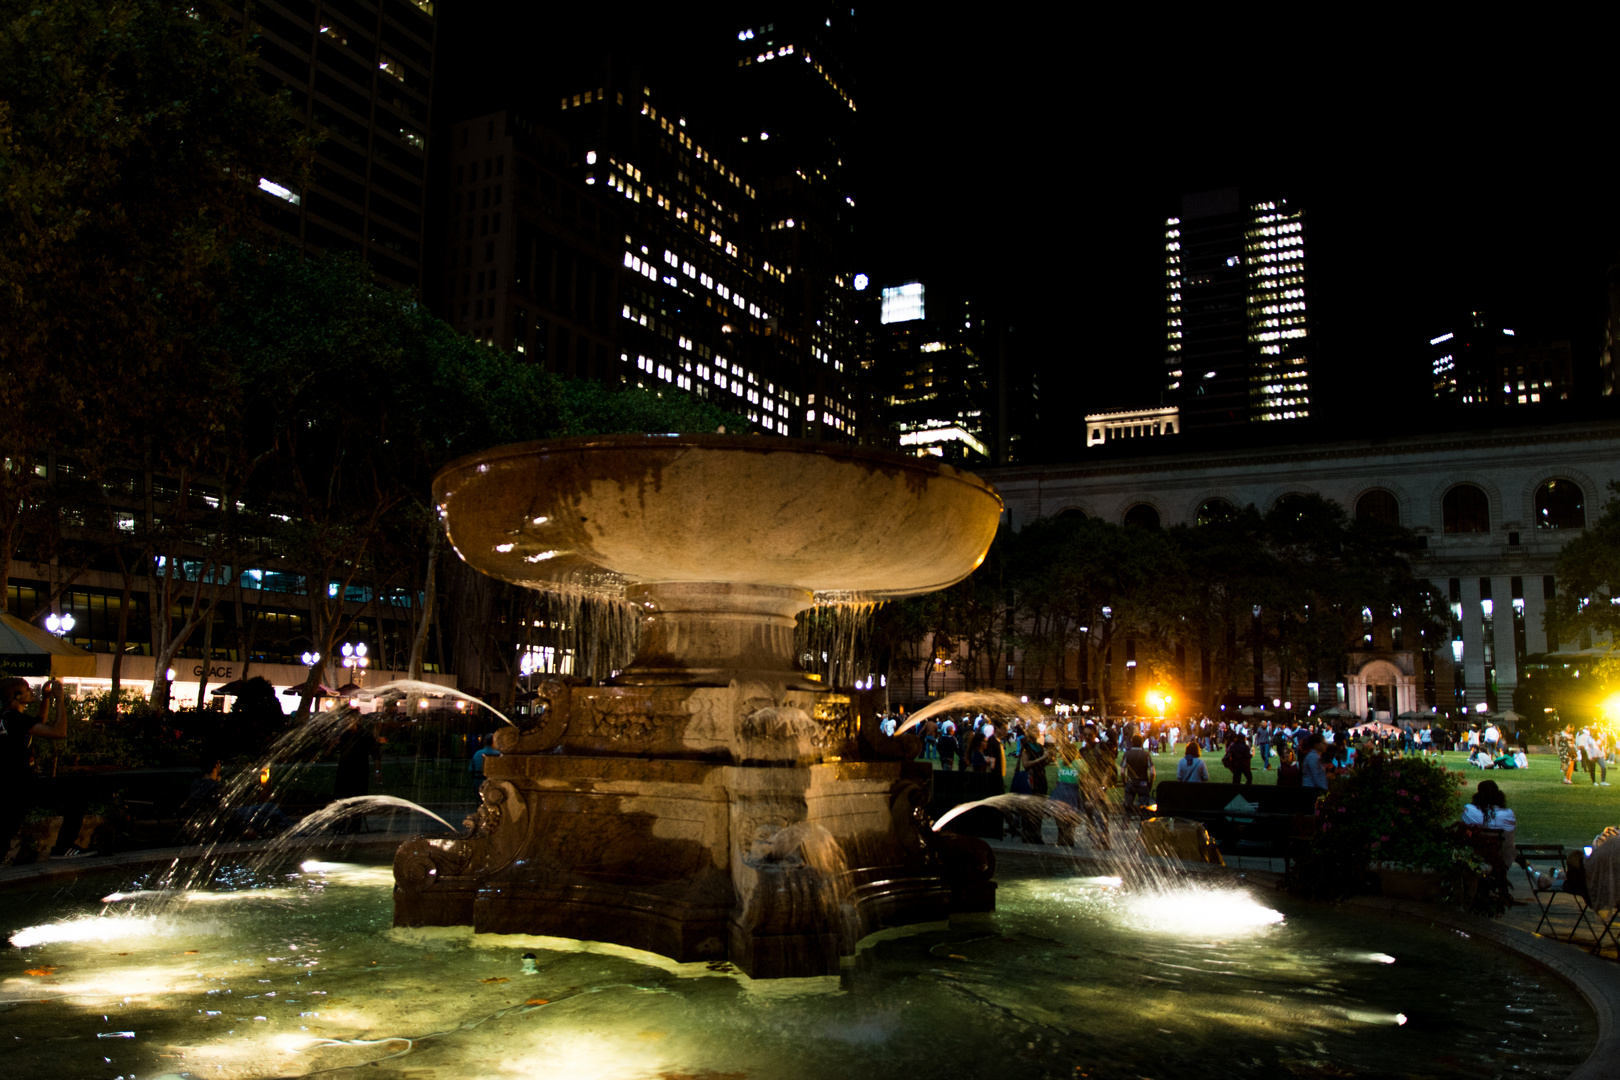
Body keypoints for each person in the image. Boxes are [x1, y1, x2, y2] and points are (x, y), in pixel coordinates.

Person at [0, 677, 95, 862]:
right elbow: (59, 732)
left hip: (14, 785)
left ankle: (63, 847)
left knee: (4, 835)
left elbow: (38, 722)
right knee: (78, 789)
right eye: (27, 690)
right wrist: (59, 699)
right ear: (17, 696)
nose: (30, 692)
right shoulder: (15, 719)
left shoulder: (7, 718)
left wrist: (46, 699)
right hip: (21, 785)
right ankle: (63, 847)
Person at [332, 715, 383, 833]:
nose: (347, 722)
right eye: (345, 720)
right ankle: (339, 827)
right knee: (340, 800)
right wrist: (332, 744)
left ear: (356, 721)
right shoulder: (343, 735)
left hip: (360, 773)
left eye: (349, 719)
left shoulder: (365, 735)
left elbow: (376, 754)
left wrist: (377, 771)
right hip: (343, 773)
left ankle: (354, 828)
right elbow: (327, 754)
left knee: (358, 801)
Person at [1460, 778, 1518, 871]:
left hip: (1476, 856)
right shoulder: (1508, 814)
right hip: (1501, 858)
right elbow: (1509, 840)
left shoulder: (1469, 810)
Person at [1120, 734, 1155, 814]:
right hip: (1143, 783)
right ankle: (1143, 824)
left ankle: (1125, 825)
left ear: (1132, 742)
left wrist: (1124, 782)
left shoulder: (1127, 754)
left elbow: (1122, 771)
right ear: (1142, 743)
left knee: (1127, 810)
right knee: (1144, 811)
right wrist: (1150, 783)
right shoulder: (1146, 755)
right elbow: (1152, 772)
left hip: (1130, 783)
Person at [470, 734, 501, 798]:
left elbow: (471, 769)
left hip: (478, 784)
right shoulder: (498, 754)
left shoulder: (477, 753)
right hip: (493, 785)